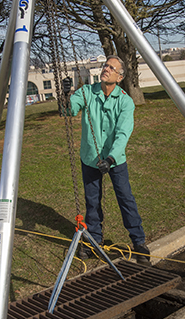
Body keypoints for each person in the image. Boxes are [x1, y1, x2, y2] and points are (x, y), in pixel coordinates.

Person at [63, 55, 150, 261]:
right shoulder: (87, 92)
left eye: (112, 68)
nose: (106, 69)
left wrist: (110, 159)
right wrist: (66, 95)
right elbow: (70, 109)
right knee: (92, 201)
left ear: (120, 77)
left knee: (125, 199)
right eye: (105, 66)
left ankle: (139, 242)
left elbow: (123, 133)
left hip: (115, 160)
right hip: (90, 158)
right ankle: (94, 241)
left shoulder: (126, 102)